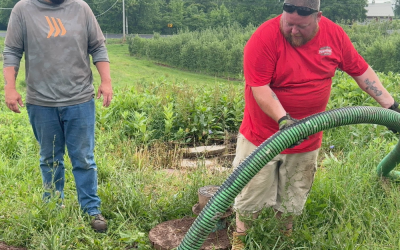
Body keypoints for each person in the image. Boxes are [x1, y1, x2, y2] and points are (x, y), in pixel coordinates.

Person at [231, 0, 399, 248]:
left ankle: (284, 238)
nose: (294, 31)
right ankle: (241, 240)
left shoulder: (334, 35)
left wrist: (390, 107)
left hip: (307, 139)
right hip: (262, 136)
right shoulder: (264, 38)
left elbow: (360, 71)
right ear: (283, 14)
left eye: (302, 26)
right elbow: (260, 88)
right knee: (251, 193)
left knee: (294, 194)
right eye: (289, 24)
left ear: (318, 16)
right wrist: (284, 120)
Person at [3, 0, 112, 233]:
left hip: (80, 99)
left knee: (84, 158)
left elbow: (98, 46)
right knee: (49, 158)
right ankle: (53, 206)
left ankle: (91, 209)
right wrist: (9, 88)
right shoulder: (23, 9)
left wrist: (106, 81)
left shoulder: (81, 8)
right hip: (41, 102)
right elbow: (12, 50)